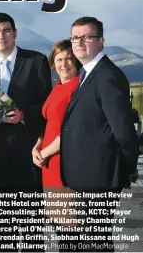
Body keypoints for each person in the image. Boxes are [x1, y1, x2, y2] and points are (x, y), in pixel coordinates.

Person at [0, 12, 52, 251]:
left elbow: (46, 105)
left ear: (15, 33)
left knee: (30, 230)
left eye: (6, 30)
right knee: (5, 230)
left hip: (28, 155)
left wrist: (25, 114)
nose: (1, 36)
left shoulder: (36, 61)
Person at [60, 17, 140, 251]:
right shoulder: (87, 74)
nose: (79, 42)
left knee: (96, 243)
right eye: (75, 37)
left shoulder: (107, 76)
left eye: (87, 37)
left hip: (100, 179)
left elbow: (124, 133)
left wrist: (122, 172)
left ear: (101, 41)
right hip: (88, 177)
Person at [31, 39, 81, 251]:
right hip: (50, 167)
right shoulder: (57, 87)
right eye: (58, 59)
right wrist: (38, 144)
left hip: (66, 167)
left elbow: (72, 130)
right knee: (60, 229)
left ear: (77, 60)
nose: (63, 64)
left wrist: (45, 151)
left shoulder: (78, 87)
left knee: (72, 232)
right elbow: (50, 122)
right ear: (52, 64)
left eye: (69, 58)